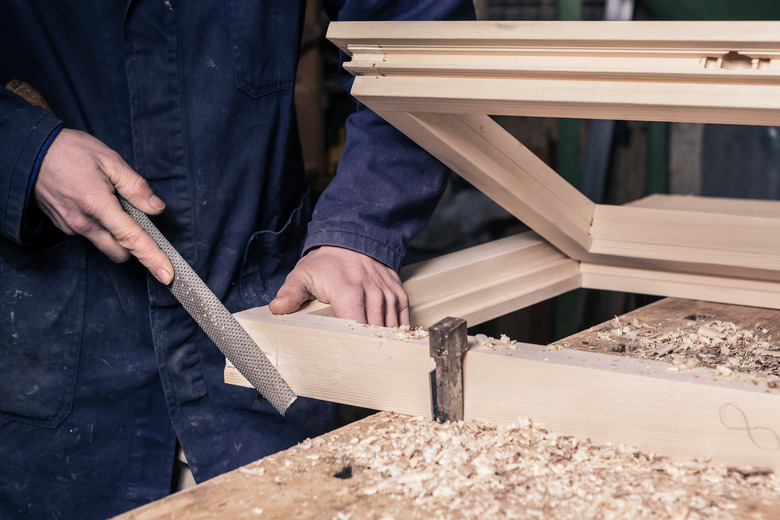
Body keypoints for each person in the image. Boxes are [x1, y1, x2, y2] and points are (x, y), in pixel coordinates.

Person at [0, 1, 475, 518]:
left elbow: (419, 25)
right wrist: (26, 154)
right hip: (58, 370)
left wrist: (358, 228)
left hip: (265, 340)